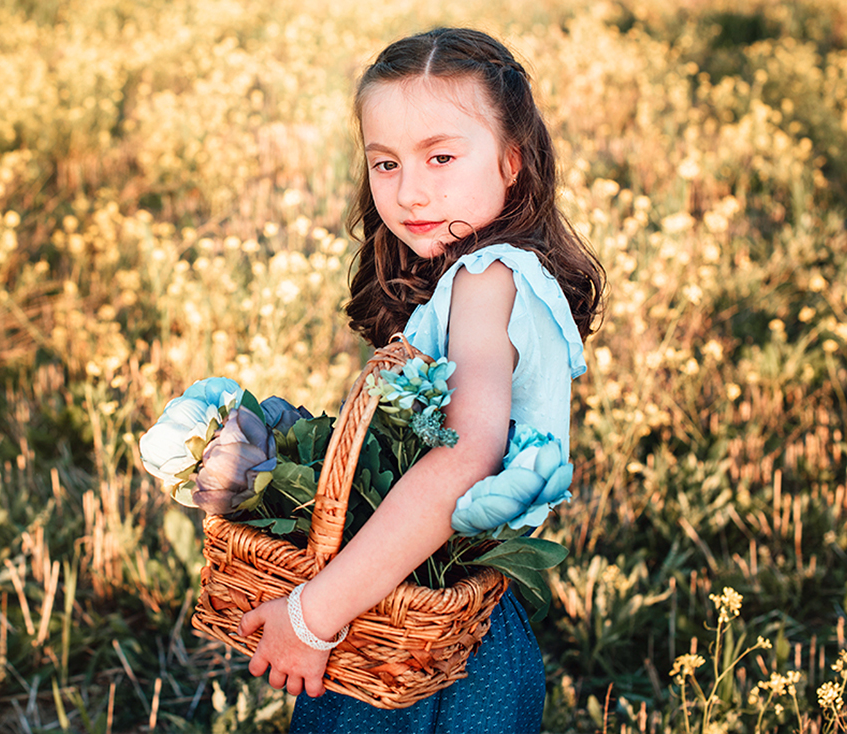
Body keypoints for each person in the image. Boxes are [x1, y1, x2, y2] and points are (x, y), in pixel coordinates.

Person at [237, 27, 605, 733]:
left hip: (429, 640)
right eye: (385, 164)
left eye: (441, 156)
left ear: (511, 161)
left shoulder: (484, 279)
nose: (409, 190)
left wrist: (312, 614)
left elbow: (467, 457)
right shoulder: (490, 275)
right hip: (447, 611)